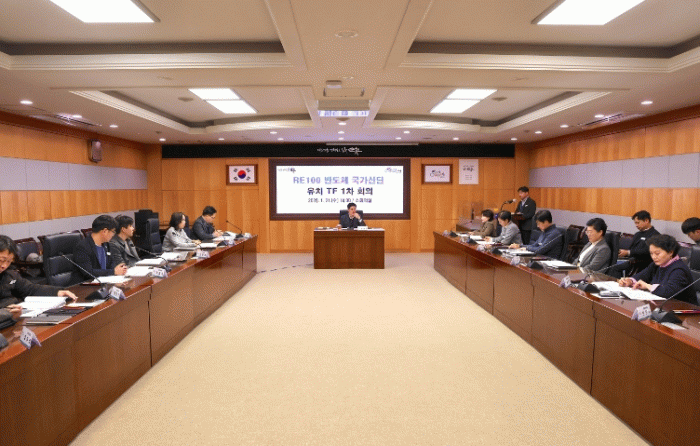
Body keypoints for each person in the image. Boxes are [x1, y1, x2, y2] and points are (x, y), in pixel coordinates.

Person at [1, 235, 77, 326]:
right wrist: (6, 312)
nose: (4, 266)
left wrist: (57, 292)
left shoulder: (9, 274)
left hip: (14, 319)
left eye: (9, 261)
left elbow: (30, 289)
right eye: (1, 260)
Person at [618, 234, 696, 304]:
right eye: (651, 253)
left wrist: (648, 286)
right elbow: (642, 275)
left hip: (682, 310)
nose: (654, 257)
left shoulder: (679, 270)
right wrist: (629, 281)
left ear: (670, 252)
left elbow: (668, 292)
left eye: (657, 253)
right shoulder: (657, 264)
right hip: (662, 306)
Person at [73, 215, 128, 283]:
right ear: (105, 231)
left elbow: (111, 263)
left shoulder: (106, 244)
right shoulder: (83, 247)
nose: (113, 234)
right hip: (88, 284)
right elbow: (88, 272)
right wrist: (113, 271)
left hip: (105, 282)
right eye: (113, 231)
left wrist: (119, 269)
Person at [609, 210, 660, 278]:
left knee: (614, 267)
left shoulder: (655, 235)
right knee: (609, 262)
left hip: (640, 263)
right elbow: (631, 248)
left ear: (646, 221)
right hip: (630, 259)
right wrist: (623, 252)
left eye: (638, 223)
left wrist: (628, 252)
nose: (636, 225)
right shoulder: (637, 234)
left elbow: (648, 252)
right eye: (635, 223)